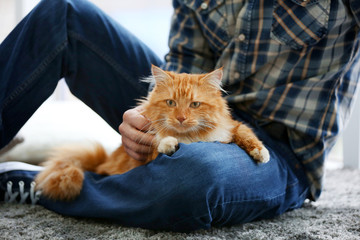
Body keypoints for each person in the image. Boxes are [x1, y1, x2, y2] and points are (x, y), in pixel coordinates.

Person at [0, 0, 359, 232]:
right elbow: (184, 65)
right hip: (188, 113)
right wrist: (145, 118)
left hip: (279, 150)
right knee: (62, 15)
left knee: (192, 175)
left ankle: (49, 186)